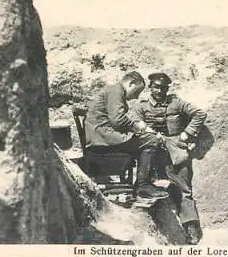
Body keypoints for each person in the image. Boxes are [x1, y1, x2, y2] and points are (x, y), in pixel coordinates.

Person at [131, 72, 207, 245]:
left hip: (175, 147)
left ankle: (191, 227)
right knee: (145, 183)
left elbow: (200, 114)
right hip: (151, 149)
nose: (159, 91)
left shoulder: (176, 102)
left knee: (184, 187)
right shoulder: (141, 106)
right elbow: (134, 122)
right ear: (150, 87)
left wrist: (187, 134)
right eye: (156, 87)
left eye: (163, 87)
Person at [84, 71, 169, 200]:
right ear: (131, 83)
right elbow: (118, 120)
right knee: (151, 140)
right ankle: (143, 185)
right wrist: (139, 128)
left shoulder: (114, 91)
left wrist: (138, 126)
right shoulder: (115, 90)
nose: (135, 97)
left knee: (146, 138)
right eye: (136, 92)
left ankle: (144, 182)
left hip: (103, 136)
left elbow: (121, 118)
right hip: (103, 138)